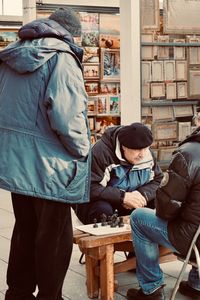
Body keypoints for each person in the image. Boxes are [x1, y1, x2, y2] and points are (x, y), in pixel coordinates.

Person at [0, 7, 91, 300]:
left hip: (17, 161)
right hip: (52, 165)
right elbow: (67, 116)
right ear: (70, 33)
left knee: (25, 227)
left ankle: (18, 292)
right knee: (54, 235)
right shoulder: (62, 58)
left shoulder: (11, 55)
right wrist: (82, 149)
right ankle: (50, 295)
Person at [126, 126, 200, 300]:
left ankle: (151, 289)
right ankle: (196, 285)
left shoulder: (189, 153)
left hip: (192, 238)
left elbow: (166, 208)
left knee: (138, 218)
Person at [75, 122, 163, 225]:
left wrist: (142, 194)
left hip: (133, 198)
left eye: (146, 148)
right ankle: (105, 238)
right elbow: (88, 187)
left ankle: (151, 237)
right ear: (124, 147)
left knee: (160, 202)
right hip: (104, 202)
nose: (142, 154)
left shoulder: (147, 155)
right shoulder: (101, 152)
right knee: (102, 209)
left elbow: (159, 180)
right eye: (138, 149)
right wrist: (123, 197)